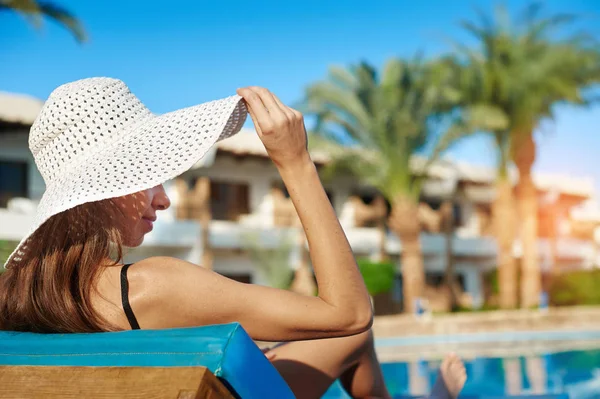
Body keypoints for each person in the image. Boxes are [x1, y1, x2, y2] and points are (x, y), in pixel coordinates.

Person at [0, 78, 466, 399]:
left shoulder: (15, 296)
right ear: (105, 191)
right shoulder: (151, 287)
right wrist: (296, 164)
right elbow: (349, 312)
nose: (162, 200)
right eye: (147, 178)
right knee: (358, 336)